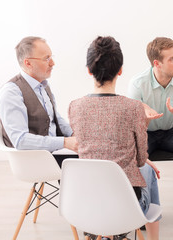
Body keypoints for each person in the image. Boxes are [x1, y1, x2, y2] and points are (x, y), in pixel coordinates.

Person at [68, 36, 161, 240]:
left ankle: (99, 232)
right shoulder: (133, 108)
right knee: (149, 171)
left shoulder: (75, 106)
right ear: (120, 70)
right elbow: (139, 160)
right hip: (125, 207)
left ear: (89, 70)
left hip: (85, 205)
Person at [128, 37, 173, 227]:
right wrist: (143, 116)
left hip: (172, 132)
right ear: (157, 63)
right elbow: (131, 128)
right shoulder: (137, 84)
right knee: (131, 148)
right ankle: (139, 206)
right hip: (146, 133)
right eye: (172, 59)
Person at [0, 36, 78, 167]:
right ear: (28, 63)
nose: (53, 63)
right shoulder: (11, 92)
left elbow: (55, 119)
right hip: (35, 159)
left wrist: (74, 134)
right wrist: (64, 142)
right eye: (47, 58)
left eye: (51, 57)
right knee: (90, 162)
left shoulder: (44, 86)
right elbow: (21, 140)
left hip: (55, 153)